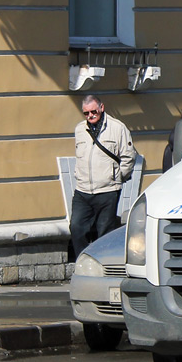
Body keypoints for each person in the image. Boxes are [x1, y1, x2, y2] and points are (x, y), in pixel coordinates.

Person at [70, 94, 136, 259]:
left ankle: (103, 263)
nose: (90, 116)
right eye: (86, 113)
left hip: (108, 190)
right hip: (83, 190)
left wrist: (117, 177)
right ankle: (83, 262)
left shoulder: (117, 128)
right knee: (77, 227)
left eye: (94, 112)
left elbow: (128, 157)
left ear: (101, 108)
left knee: (105, 232)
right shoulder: (80, 129)